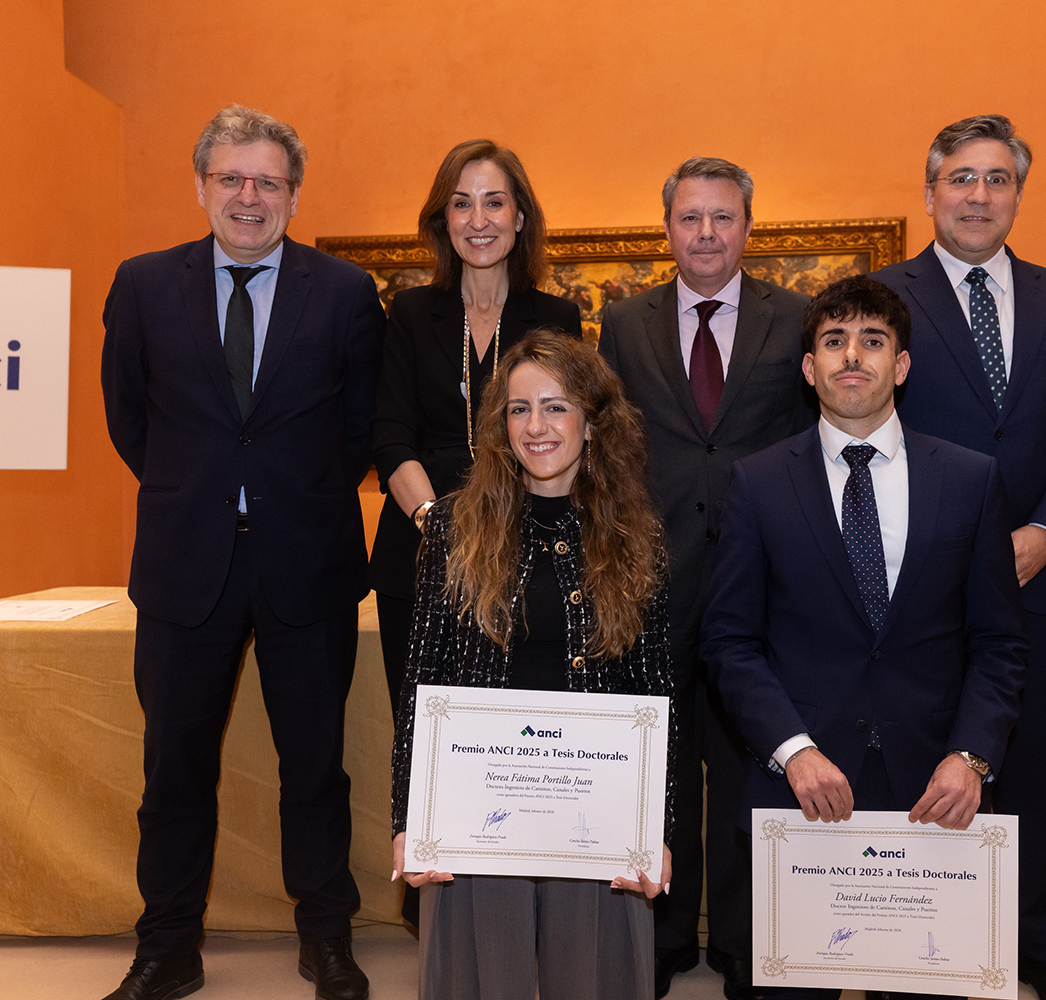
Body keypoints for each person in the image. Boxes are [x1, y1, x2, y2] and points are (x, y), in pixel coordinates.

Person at [99, 104, 384, 1000]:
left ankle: (326, 939)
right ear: (201, 186)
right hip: (187, 564)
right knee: (173, 768)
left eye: (268, 181)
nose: (249, 197)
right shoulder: (143, 285)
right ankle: (167, 946)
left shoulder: (342, 291)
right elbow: (130, 421)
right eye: (232, 178)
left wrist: (286, 494)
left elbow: (360, 427)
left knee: (314, 766)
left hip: (308, 560)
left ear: (294, 195)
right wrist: (205, 491)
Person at [702, 275, 1027, 1000]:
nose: (854, 355)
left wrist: (970, 758)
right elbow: (729, 642)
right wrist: (793, 751)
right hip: (801, 785)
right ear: (810, 367)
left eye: (874, 340)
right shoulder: (754, 483)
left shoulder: (972, 481)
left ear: (901, 366)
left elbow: (999, 643)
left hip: (934, 787)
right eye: (834, 340)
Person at [869, 114, 1046, 1000]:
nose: (979, 195)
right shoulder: (881, 297)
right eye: (961, 178)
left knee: (1033, 773)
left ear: (1018, 191)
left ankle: (1037, 948)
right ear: (930, 190)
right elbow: (859, 433)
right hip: (921, 589)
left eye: (997, 179)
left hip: (1039, 586)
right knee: (926, 773)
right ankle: (922, 945)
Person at [387, 331, 676, 1000]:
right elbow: (423, 684)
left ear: (593, 421)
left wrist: (653, 829)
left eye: (556, 406)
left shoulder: (637, 534)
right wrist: (411, 821)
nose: (536, 427)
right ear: (499, 424)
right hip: (475, 817)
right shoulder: (456, 528)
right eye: (519, 409)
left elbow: (656, 693)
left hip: (597, 817)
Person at [596, 156, 812, 1000]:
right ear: (668, 229)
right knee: (662, 763)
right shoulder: (622, 322)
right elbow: (612, 448)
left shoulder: (795, 317)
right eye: (691, 219)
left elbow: (805, 443)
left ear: (749, 227)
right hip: (652, 576)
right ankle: (659, 932)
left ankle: (742, 940)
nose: (708, 234)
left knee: (753, 762)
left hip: (761, 579)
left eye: (724, 218)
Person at [370, 140, 582, 923]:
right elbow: (389, 435)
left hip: (530, 558)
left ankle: (523, 900)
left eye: (494, 202)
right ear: (442, 220)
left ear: (520, 216)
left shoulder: (557, 318)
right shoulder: (411, 313)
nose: (478, 219)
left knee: (514, 739)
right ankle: (438, 910)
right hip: (424, 553)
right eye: (461, 203)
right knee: (429, 731)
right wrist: (438, 524)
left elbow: (562, 432)